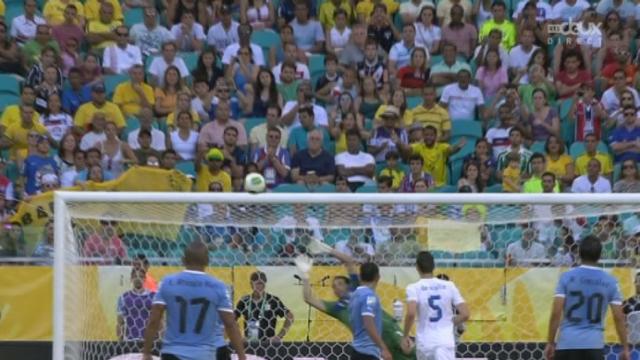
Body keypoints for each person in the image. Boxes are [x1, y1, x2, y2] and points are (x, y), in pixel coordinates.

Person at [298, 247, 414, 360]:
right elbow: (309, 298)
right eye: (333, 286)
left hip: (392, 334)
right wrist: (304, 275)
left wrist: (326, 249)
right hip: (374, 345)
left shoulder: (358, 289)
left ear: (348, 284)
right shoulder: (336, 308)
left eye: (340, 283)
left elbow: (348, 261)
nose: (336, 287)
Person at [142, 241, 246, 360]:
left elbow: (154, 321)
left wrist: (146, 352)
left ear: (183, 260)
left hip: (172, 353)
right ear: (207, 261)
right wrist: (242, 356)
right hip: (204, 354)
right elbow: (230, 324)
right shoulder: (218, 286)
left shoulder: (167, 282)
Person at [544, 235, 629, 360]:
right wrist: (625, 348)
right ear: (600, 255)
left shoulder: (566, 277)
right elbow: (619, 317)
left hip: (567, 345)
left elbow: (556, 313)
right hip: (594, 346)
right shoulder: (610, 281)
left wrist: (550, 343)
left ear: (579, 253)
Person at [403, 251, 470, 360]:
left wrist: (405, 335)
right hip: (445, 341)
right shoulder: (449, 285)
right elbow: (465, 314)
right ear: (434, 266)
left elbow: (411, 313)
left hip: (425, 342)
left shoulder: (413, 287)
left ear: (417, 267)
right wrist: (449, 322)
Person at [348, 262, 391, 360]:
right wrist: (383, 348)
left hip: (356, 349)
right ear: (377, 277)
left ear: (360, 276)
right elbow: (368, 323)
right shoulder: (369, 296)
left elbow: (351, 321)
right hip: (368, 352)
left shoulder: (354, 295)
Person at [235, 271, 294, 342]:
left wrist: (279, 336)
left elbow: (290, 316)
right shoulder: (244, 300)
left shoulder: (273, 300)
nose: (260, 287)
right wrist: (239, 336)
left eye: (262, 284)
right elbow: (232, 319)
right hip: (250, 343)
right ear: (251, 284)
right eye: (258, 284)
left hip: (268, 343)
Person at [117, 268, 155, 341]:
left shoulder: (153, 296)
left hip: (149, 341)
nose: (138, 279)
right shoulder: (123, 298)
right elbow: (120, 322)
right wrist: (120, 342)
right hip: (130, 341)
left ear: (144, 279)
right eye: (135, 277)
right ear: (131, 279)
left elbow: (159, 322)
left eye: (140, 276)